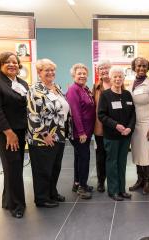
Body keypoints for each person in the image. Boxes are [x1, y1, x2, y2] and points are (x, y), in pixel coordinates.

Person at [0, 51, 28, 218]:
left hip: (19, 129)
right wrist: (9, 133)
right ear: (0, 65)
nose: (12, 65)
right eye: (7, 62)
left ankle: (8, 200)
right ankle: (16, 206)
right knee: (13, 164)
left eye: (15, 62)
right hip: (3, 130)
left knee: (14, 166)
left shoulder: (22, 83)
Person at [26, 58, 70, 208]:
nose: (51, 73)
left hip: (59, 133)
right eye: (47, 70)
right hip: (42, 137)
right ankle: (41, 198)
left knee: (54, 166)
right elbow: (33, 115)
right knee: (42, 168)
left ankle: (52, 192)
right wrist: (45, 134)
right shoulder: (35, 90)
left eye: (52, 70)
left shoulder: (56, 87)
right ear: (39, 72)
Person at [98, 66, 136, 201]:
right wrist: (116, 126)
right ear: (111, 78)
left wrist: (129, 128)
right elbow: (101, 115)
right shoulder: (105, 95)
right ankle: (113, 191)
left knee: (122, 162)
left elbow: (133, 114)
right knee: (112, 163)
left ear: (123, 78)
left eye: (120, 76)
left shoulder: (127, 95)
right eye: (115, 76)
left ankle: (122, 189)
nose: (118, 79)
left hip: (125, 136)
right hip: (112, 136)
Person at [128, 57, 149, 195]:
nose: (141, 68)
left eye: (144, 66)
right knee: (137, 152)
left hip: (147, 123)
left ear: (148, 68)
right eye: (138, 66)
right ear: (134, 67)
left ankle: (147, 182)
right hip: (134, 124)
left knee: (146, 152)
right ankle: (139, 180)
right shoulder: (131, 84)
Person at [66, 63, 96, 199]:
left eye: (84, 73)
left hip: (87, 131)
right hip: (80, 132)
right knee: (84, 158)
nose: (82, 76)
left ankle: (77, 183)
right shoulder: (73, 90)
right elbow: (75, 113)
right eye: (79, 73)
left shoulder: (85, 89)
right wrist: (82, 132)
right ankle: (82, 187)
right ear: (74, 75)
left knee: (79, 157)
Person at [92, 60, 112, 192]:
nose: (104, 70)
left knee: (112, 155)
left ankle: (113, 179)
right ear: (98, 72)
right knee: (100, 155)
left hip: (114, 126)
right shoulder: (95, 87)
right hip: (99, 126)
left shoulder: (117, 83)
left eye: (106, 68)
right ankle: (101, 180)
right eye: (101, 69)